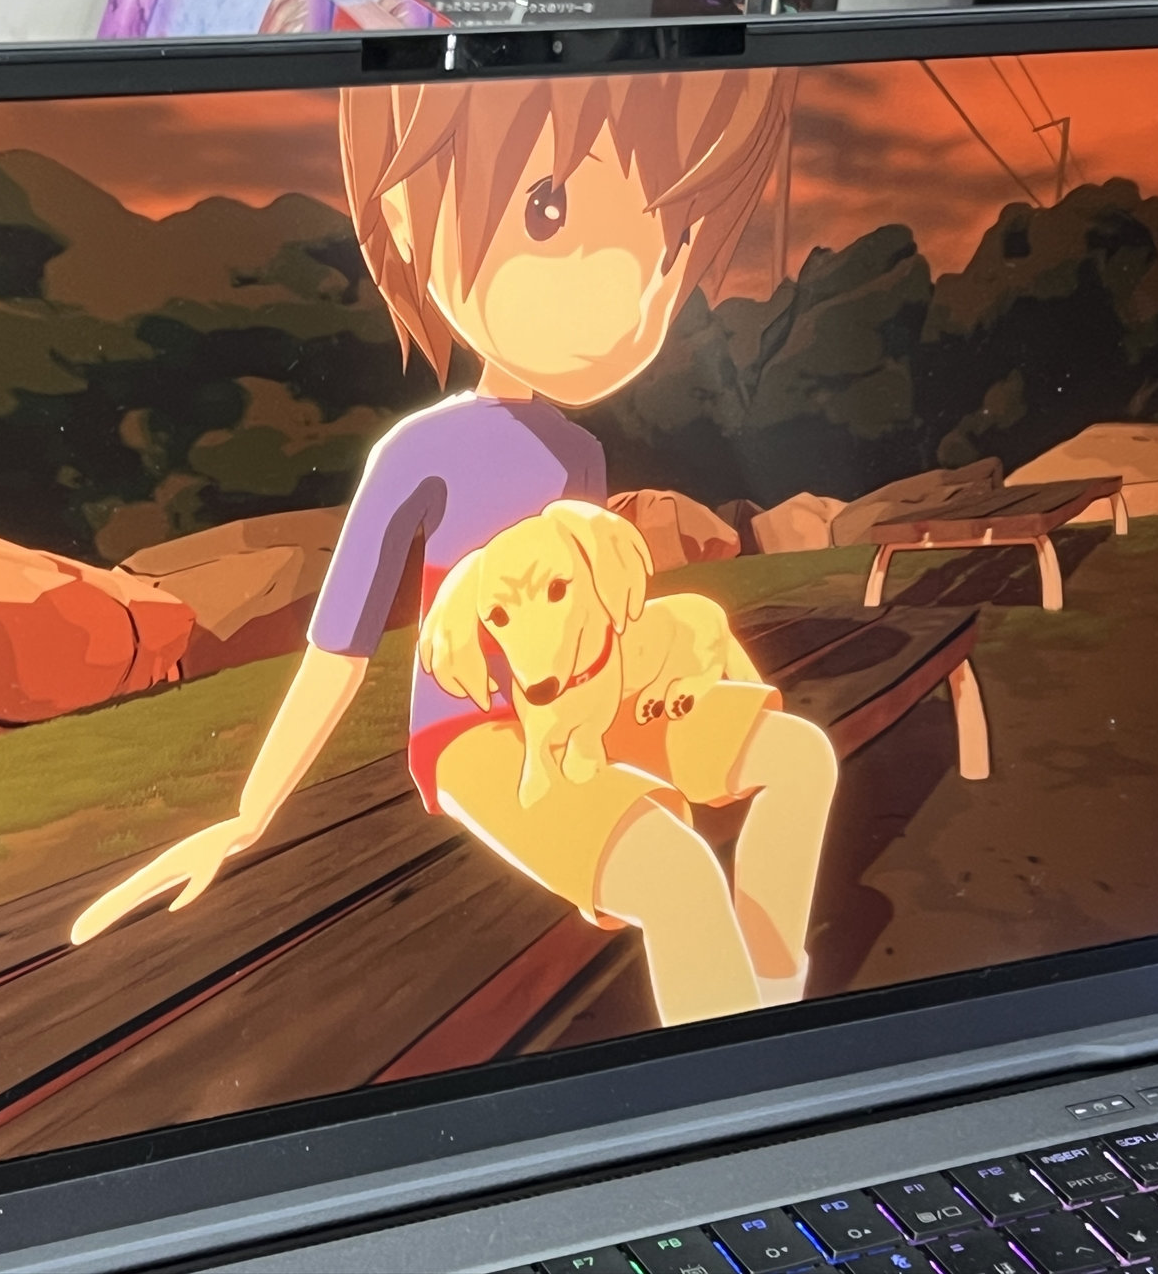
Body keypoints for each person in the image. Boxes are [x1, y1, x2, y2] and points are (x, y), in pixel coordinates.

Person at [71, 68, 839, 1025]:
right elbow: (337, 649)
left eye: (664, 236)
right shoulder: (419, 452)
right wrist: (247, 815)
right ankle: (729, 1080)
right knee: (676, 871)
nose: (615, 284)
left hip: (595, 706)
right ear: (407, 215)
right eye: (548, 211)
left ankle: (773, 1009)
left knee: (800, 760)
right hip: (477, 735)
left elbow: (597, 613)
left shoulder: (579, 452)